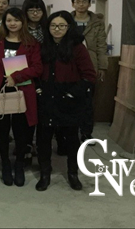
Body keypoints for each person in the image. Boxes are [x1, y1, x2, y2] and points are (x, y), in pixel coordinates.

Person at [35, 11, 96, 192]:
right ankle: (45, 173)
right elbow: (35, 70)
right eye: (53, 25)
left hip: (70, 97)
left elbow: (89, 75)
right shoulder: (43, 46)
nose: (57, 29)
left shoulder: (77, 48)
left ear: (69, 27)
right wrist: (38, 89)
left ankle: (73, 173)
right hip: (46, 96)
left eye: (62, 25)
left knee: (71, 139)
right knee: (43, 137)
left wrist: (71, 94)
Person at [0, 7, 42, 187]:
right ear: (4, 22)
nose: (12, 23)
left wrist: (16, 76)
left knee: (21, 131)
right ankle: (5, 164)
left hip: (23, 91)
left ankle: (19, 163)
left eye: (16, 20)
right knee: (2, 130)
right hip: (1, 91)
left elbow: (37, 68)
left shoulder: (32, 43)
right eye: (9, 20)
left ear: (23, 22)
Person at [70, 0, 108, 143]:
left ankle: (86, 132)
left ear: (89, 3)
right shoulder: (67, 20)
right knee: (69, 98)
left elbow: (101, 46)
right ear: (73, 4)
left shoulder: (97, 22)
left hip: (90, 65)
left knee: (87, 100)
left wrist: (102, 67)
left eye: (84, 2)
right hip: (69, 63)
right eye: (78, 2)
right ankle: (68, 131)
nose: (81, 5)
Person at [21, 0, 49, 156]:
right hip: (26, 74)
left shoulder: (47, 29)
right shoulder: (20, 30)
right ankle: (26, 144)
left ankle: (41, 146)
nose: (35, 13)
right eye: (31, 10)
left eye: (38, 10)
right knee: (26, 113)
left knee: (43, 112)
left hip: (46, 74)